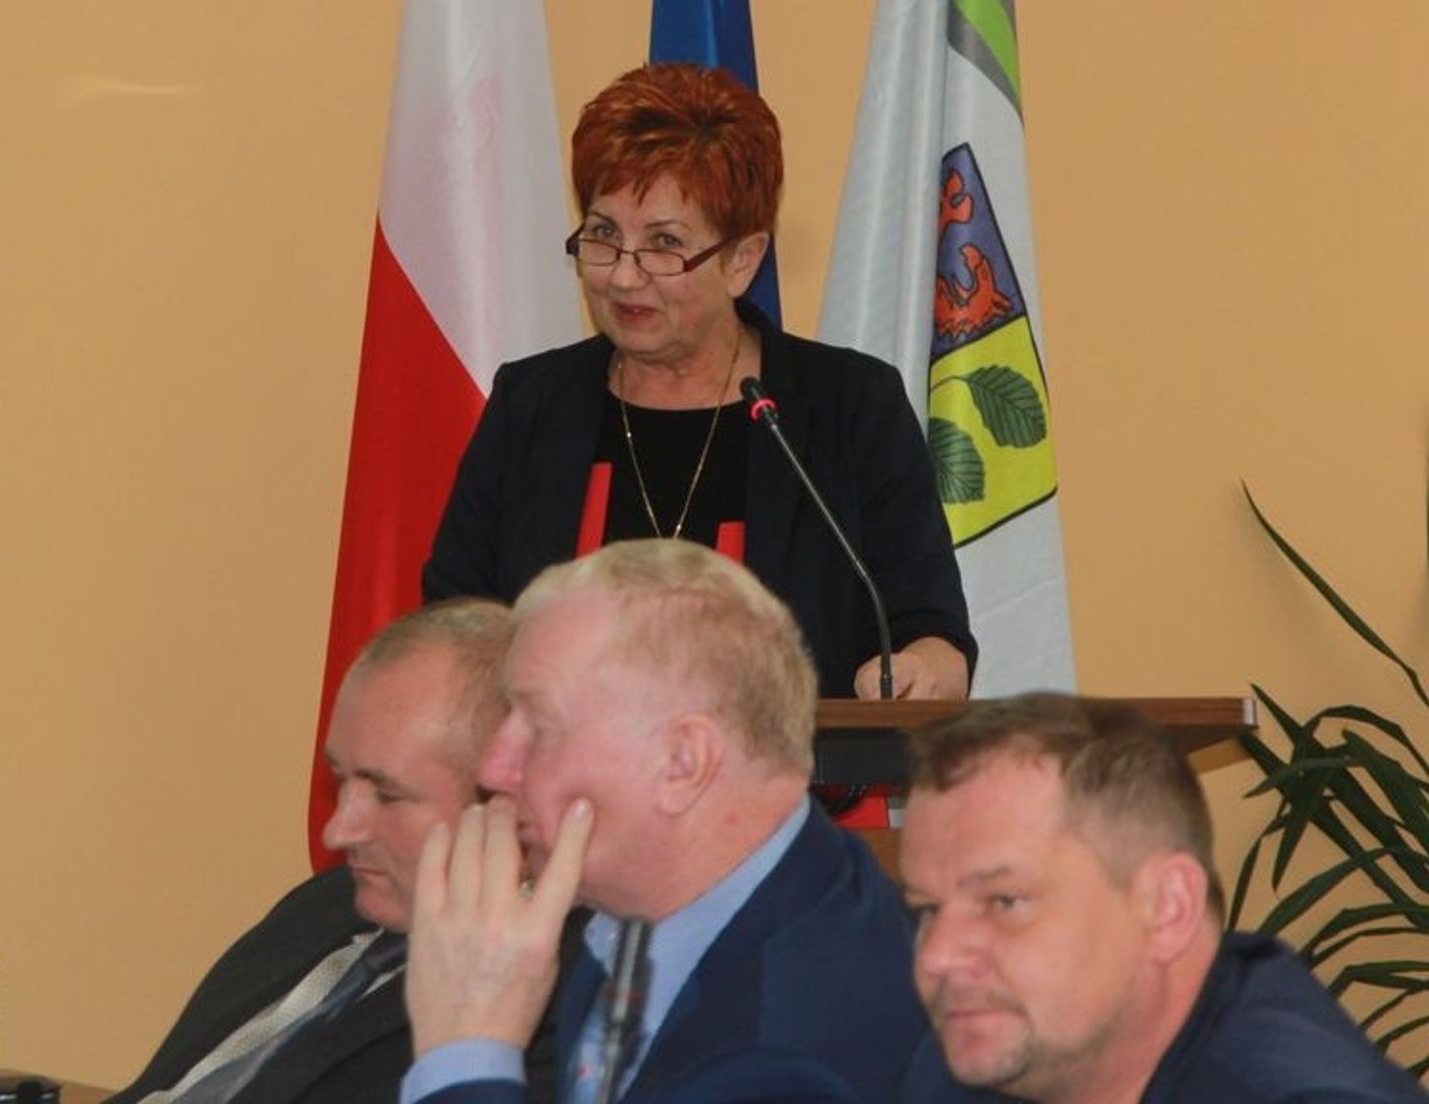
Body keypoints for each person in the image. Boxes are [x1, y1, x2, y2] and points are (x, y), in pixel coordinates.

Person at [422, 61, 975, 701]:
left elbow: (931, 633)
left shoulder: (849, 408)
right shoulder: (532, 404)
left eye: (664, 244)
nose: (623, 276)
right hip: (558, 765)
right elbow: (454, 624)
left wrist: (919, 673)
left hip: (790, 766)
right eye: (603, 234)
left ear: (742, 259)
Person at [400, 539, 927, 1104]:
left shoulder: (791, 1056)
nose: (492, 768)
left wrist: (468, 1049)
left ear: (683, 763)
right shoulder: (661, 910)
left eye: (540, 726)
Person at [110, 600, 564, 1104]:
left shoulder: (548, 1019)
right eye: (340, 779)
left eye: (386, 795)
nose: (337, 831)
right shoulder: (324, 906)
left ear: (511, 803)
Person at [897, 693, 1425, 1104]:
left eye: (1005, 902)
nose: (938, 956)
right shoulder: (979, 1058)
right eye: (927, 910)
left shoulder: (1290, 1090)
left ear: (1169, 907)